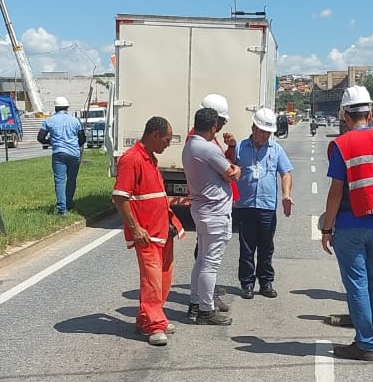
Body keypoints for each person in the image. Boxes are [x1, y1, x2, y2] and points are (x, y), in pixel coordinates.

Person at [320, 85, 373, 362]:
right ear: (369, 112)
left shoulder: (342, 145)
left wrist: (327, 228)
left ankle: (364, 343)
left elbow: (335, 191)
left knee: (357, 284)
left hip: (350, 222)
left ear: (345, 114)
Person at [112, 117, 183, 346]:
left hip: (162, 230)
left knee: (163, 279)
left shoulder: (150, 158)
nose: (167, 145)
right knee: (152, 281)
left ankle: (148, 319)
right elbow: (120, 197)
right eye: (166, 139)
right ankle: (154, 325)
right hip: (146, 233)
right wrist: (135, 228)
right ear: (154, 135)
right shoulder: (132, 159)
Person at [183, 106, 241, 325]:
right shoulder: (208, 148)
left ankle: (195, 302)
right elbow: (231, 173)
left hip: (201, 208)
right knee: (210, 264)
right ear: (213, 127)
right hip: (215, 211)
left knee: (201, 260)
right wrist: (238, 169)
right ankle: (206, 310)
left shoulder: (190, 145)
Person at [233, 107, 294, 299]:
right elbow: (229, 169)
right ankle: (247, 283)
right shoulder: (240, 147)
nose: (265, 136)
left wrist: (285, 195)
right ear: (253, 128)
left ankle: (266, 282)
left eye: (268, 133)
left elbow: (286, 173)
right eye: (262, 131)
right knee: (247, 248)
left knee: (266, 247)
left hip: (267, 206)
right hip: (245, 206)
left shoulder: (276, 149)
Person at [38, 96, 86, 215]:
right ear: (67, 107)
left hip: (59, 153)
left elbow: (40, 138)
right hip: (74, 154)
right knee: (71, 179)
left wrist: (51, 142)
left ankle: (62, 209)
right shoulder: (75, 121)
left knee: (59, 180)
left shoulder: (49, 121)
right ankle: (69, 203)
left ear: (55, 107)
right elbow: (82, 138)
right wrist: (76, 145)